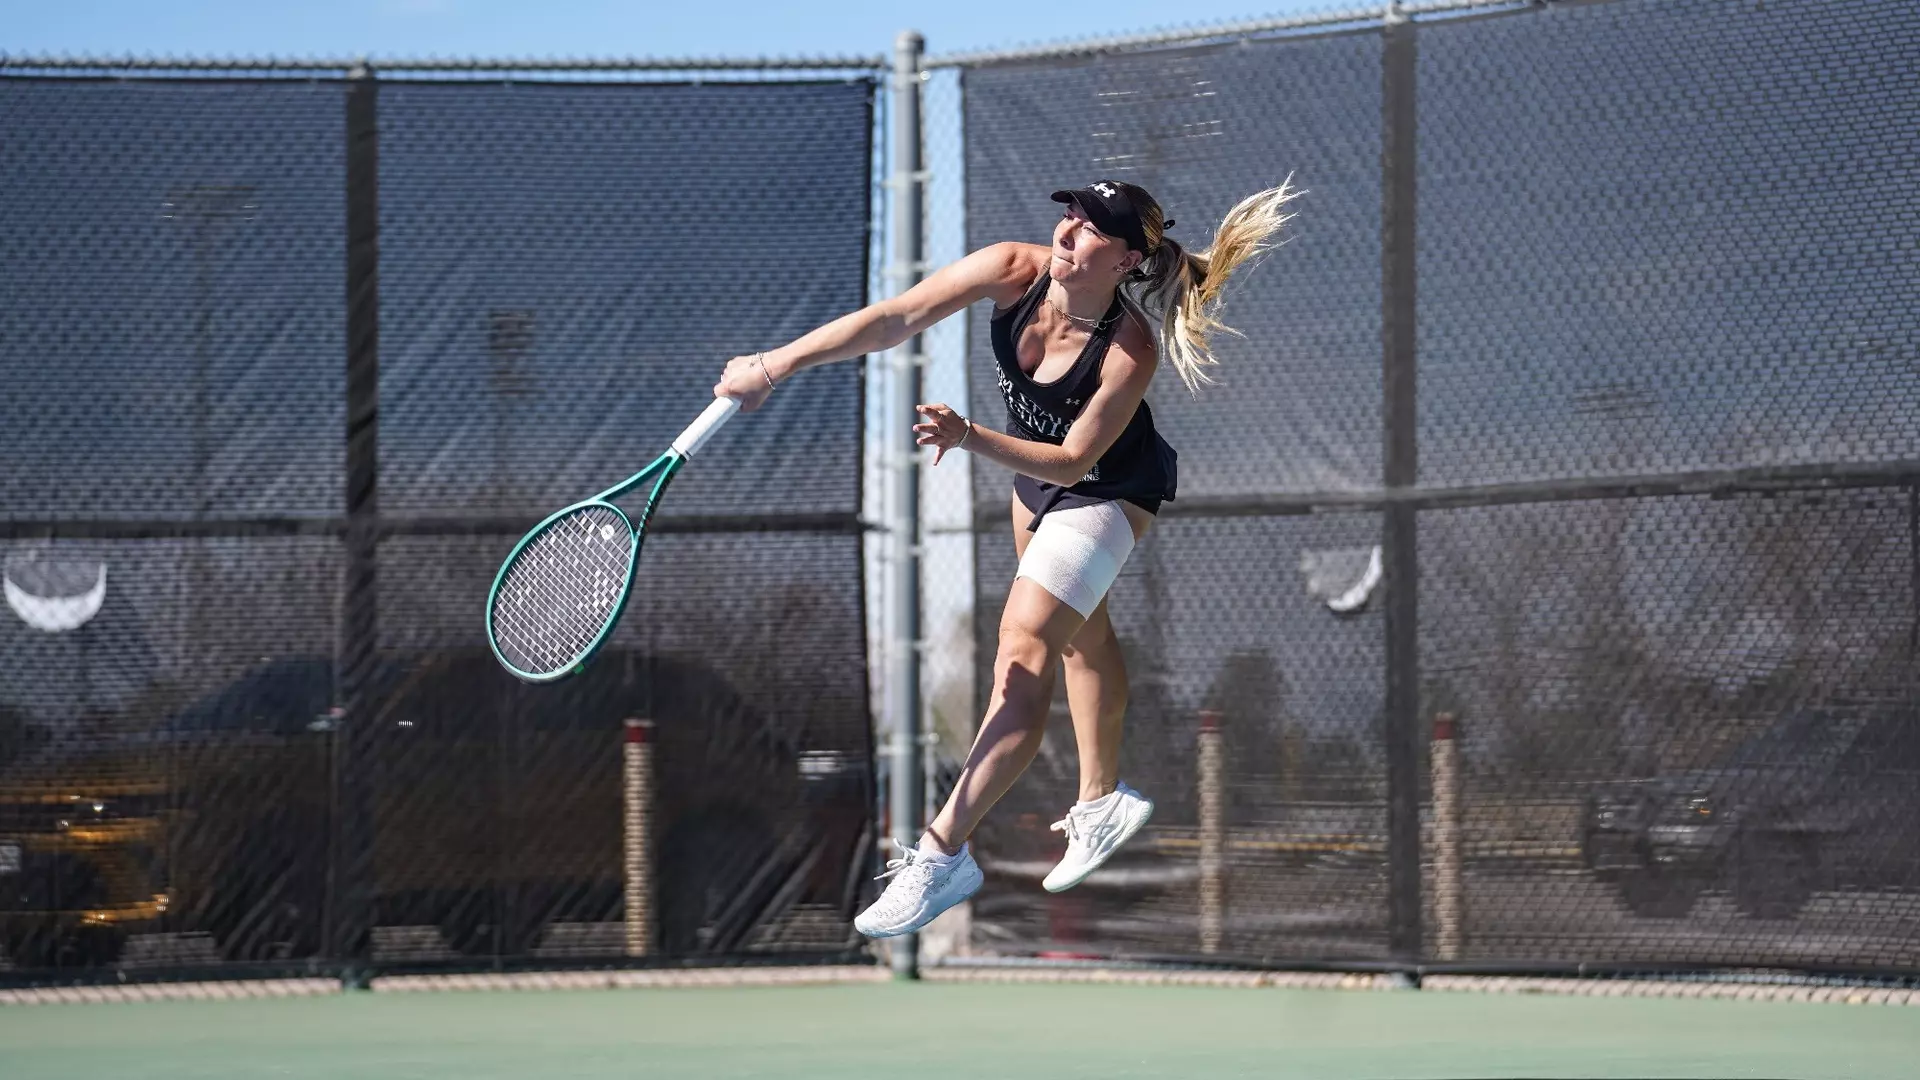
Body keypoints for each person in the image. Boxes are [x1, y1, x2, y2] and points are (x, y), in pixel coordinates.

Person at [714, 177, 1299, 938]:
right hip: (1036, 485)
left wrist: (969, 438)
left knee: (1022, 656)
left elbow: (1072, 460)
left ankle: (942, 852)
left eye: (1091, 228)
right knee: (1081, 636)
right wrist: (776, 363)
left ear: (1125, 260)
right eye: (1069, 214)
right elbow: (896, 317)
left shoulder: (1129, 349)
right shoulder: (1011, 268)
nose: (1067, 230)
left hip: (1106, 490)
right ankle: (1101, 800)